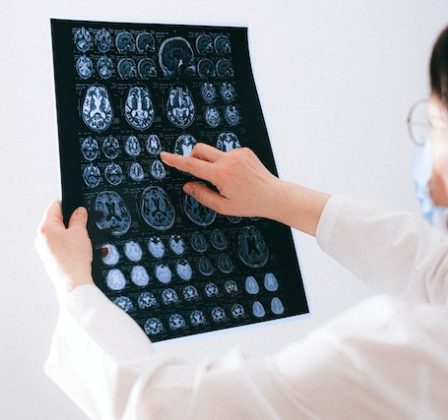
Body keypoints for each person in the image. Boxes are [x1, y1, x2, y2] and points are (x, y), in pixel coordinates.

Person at [36, 26, 448, 419]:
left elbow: (165, 410)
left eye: (432, 124)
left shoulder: (407, 354)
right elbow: (432, 266)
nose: (427, 148)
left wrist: (76, 289)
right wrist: (276, 197)